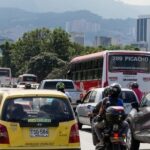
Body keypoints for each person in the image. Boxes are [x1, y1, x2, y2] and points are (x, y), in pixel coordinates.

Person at [93, 83, 127, 149]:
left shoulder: (105, 100)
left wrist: (98, 116)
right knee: (127, 125)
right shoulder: (120, 101)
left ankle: (102, 141)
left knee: (95, 126)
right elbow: (123, 112)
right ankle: (123, 139)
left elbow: (101, 111)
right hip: (119, 123)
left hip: (106, 123)